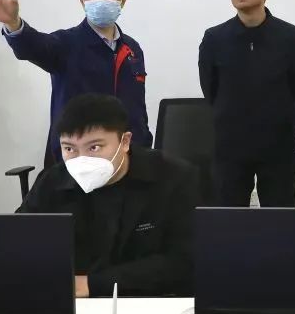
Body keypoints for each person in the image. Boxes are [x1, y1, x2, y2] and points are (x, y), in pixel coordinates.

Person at [0, 0, 152, 168]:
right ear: (82, 1)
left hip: (129, 156)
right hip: (79, 159)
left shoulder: (132, 48)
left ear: (122, 1)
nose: (101, 0)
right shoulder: (65, 43)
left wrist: (144, 143)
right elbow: (33, 46)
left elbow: (137, 105)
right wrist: (14, 23)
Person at [18, 93, 197, 297]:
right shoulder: (52, 181)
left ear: (125, 141)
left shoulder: (173, 177)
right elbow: (20, 242)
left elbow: (184, 261)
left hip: (150, 298)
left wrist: (93, 284)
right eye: (69, 148)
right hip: (72, 300)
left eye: (94, 147)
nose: (82, 160)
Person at [199, 0, 295, 207]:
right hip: (230, 145)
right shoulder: (215, 38)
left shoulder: (291, 36)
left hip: (279, 145)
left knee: (279, 219)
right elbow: (210, 88)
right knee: (229, 219)